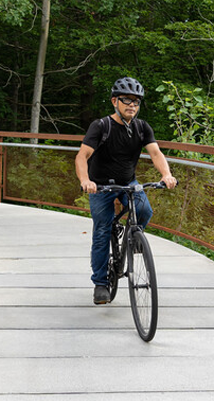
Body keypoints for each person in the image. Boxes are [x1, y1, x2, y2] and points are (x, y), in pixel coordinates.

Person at [75, 77, 177, 305]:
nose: (132, 105)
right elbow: (82, 156)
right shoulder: (101, 126)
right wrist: (85, 180)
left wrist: (166, 175)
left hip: (128, 182)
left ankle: (133, 238)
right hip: (101, 186)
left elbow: (156, 154)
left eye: (136, 102)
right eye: (127, 100)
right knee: (102, 230)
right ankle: (101, 284)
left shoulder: (142, 128)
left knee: (144, 210)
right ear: (115, 101)